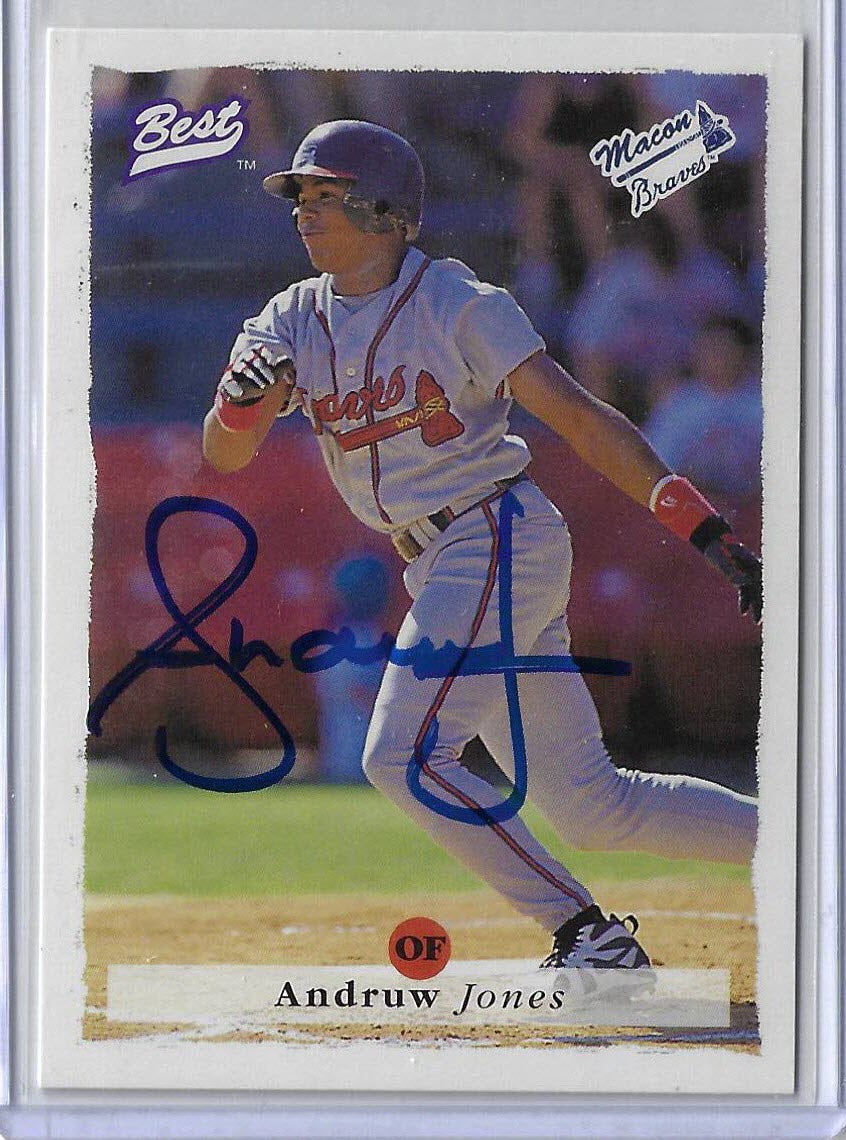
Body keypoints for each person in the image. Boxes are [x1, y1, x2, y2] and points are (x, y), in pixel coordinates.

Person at [202, 120, 762, 972]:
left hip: (494, 532)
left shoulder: (459, 303)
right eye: (300, 196)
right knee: (592, 806)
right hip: (440, 559)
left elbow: (580, 418)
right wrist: (238, 406)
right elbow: (225, 452)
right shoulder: (290, 317)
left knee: (401, 756)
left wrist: (703, 527)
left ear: (385, 210)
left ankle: (586, 935)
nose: (304, 210)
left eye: (326, 193)